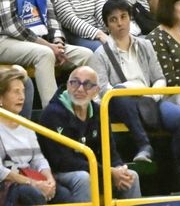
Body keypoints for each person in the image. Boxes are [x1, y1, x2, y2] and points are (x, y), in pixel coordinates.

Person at [89, 0, 180, 194]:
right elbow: (103, 90)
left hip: (150, 99)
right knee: (119, 94)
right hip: (119, 104)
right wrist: (130, 89)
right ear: (107, 24)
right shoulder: (100, 54)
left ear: (130, 19)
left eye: (123, 17)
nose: (120, 23)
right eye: (114, 19)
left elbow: (159, 78)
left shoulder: (144, 45)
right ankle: (144, 146)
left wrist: (151, 96)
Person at [38, 65, 142, 202]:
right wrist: (109, 172)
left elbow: (110, 151)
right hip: (60, 173)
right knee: (83, 178)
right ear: (68, 85)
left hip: (94, 170)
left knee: (130, 176)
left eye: (87, 84)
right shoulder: (52, 113)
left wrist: (118, 169)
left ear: (96, 91)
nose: (80, 89)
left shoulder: (99, 111)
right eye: (74, 83)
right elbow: (63, 161)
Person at [0, 67, 58, 206]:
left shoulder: (25, 125)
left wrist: (49, 179)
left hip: (28, 180)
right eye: (16, 92)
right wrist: (33, 183)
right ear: (1, 97)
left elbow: (38, 158)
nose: (22, 97)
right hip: (8, 185)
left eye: (23, 91)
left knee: (63, 192)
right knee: (31, 193)